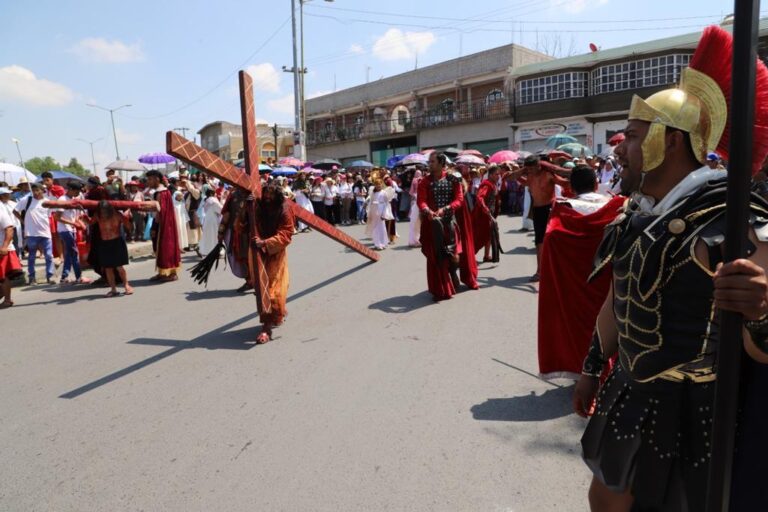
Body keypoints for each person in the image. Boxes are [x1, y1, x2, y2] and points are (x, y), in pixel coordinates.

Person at [573, 25, 768, 511]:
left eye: (633, 136)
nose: (619, 148)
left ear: (671, 140)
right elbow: (618, 299)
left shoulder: (734, 219)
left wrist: (760, 311)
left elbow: (760, 346)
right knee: (604, 499)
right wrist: (592, 368)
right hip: (628, 390)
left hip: (697, 411)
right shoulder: (635, 212)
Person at [537, 165, 624, 380]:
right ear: (595, 184)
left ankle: (585, 371)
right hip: (610, 283)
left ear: (572, 187)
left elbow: (552, 246)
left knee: (580, 327)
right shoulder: (617, 206)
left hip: (575, 284)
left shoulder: (562, 211)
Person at [511, 155, 571, 282]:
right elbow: (511, 177)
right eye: (528, 169)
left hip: (549, 209)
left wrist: (566, 173)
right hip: (537, 210)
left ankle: (555, 270)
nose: (530, 171)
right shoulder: (529, 175)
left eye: (532, 168)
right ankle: (540, 271)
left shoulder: (548, 174)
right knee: (539, 242)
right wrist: (523, 170)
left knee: (551, 241)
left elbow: (565, 183)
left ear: (539, 166)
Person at [417, 152, 467, 301]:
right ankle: (440, 289)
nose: (429, 164)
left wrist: (445, 209)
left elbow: (459, 199)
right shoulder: (424, 181)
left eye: (432, 161)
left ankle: (453, 272)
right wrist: (428, 211)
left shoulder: (453, 179)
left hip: (449, 221)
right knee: (437, 257)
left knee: (454, 256)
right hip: (432, 224)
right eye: (429, 161)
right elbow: (421, 201)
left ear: (441, 163)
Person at [252, 183, 295, 344]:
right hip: (258, 251)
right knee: (261, 288)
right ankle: (274, 316)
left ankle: (267, 326)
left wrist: (266, 242)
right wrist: (248, 206)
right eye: (266, 194)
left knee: (274, 290)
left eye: (271, 194)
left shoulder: (285, 208)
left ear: (277, 195)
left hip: (275, 251)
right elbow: (246, 223)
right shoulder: (259, 205)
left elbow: (286, 233)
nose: (268, 197)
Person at [13, 183, 54, 284]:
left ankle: (50, 276)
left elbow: (49, 216)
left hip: (45, 233)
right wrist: (23, 221)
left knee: (49, 255)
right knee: (31, 256)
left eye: (37, 190)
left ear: (42, 190)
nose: (35, 192)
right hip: (31, 233)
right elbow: (15, 211)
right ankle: (32, 277)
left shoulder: (47, 202)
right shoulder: (27, 200)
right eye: (33, 190)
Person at [90, 200, 132, 297]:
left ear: (109, 209)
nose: (103, 213)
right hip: (104, 243)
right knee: (108, 268)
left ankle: (126, 285)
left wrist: (127, 219)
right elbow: (90, 222)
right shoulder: (97, 216)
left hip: (116, 242)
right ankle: (113, 289)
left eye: (105, 211)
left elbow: (129, 227)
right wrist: (83, 218)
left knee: (119, 267)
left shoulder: (117, 215)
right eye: (101, 211)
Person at [146, 170, 181, 282]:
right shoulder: (161, 192)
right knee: (160, 248)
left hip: (163, 225)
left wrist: (154, 227)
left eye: (150, 179)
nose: (148, 182)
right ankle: (162, 272)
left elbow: (159, 212)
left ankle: (172, 274)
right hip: (165, 223)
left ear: (157, 179)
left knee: (166, 247)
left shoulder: (161, 193)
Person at [54, 182, 91, 285]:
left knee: (69, 254)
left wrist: (79, 221)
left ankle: (64, 277)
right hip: (65, 230)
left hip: (72, 229)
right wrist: (73, 223)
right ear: (70, 189)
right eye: (76, 191)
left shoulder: (74, 199)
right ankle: (79, 277)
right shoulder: (62, 200)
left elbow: (75, 216)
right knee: (74, 253)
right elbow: (57, 217)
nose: (78, 193)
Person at [218, 188, 252, 292]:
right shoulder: (233, 196)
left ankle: (258, 282)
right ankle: (250, 281)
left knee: (255, 258)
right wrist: (221, 232)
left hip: (253, 233)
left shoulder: (256, 193)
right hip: (237, 233)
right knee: (242, 258)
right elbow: (226, 215)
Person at [472, 164, 504, 263]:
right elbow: (479, 197)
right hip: (483, 216)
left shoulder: (493, 184)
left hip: (489, 215)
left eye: (499, 174)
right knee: (479, 237)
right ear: (490, 175)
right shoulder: (486, 184)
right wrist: (486, 209)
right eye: (496, 174)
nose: (498, 176)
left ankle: (486, 256)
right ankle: (468, 257)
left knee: (489, 235)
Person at [0, 193, 23, 308]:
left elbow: (9, 228)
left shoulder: (0, 210)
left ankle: (7, 300)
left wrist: (4, 246)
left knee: (3, 276)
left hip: (2, 248)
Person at [198, 188, 222, 257]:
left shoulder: (207, 200)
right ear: (212, 193)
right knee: (214, 236)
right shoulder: (214, 200)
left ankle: (205, 250)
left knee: (207, 236)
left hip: (207, 220)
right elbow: (221, 210)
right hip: (213, 220)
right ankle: (214, 251)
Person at [369, 178, 391, 250]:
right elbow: (370, 202)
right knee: (375, 227)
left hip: (381, 210)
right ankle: (377, 243)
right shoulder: (373, 193)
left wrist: (384, 214)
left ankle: (383, 242)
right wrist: (370, 212)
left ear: (382, 185)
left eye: (379, 184)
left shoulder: (384, 193)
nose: (378, 186)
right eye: (377, 184)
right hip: (374, 210)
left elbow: (386, 204)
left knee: (382, 227)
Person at [408, 170, 422, 247]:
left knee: (415, 222)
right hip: (417, 203)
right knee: (418, 223)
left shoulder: (414, 180)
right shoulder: (421, 180)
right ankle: (416, 240)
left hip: (416, 202)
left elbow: (411, 192)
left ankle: (415, 240)